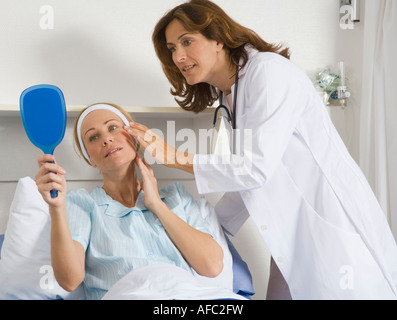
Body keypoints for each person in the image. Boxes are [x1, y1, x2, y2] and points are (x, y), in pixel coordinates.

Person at [126, 0, 397, 299]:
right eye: (172, 48)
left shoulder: (268, 73)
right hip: (291, 241)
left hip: (331, 237)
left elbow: (255, 169)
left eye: (186, 41)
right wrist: (197, 227)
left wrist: (175, 157)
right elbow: (244, 186)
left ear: (217, 38)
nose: (178, 55)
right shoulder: (230, 95)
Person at [34, 103, 224, 300]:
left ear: (135, 137)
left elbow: (212, 266)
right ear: (90, 158)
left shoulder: (176, 196)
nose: (107, 139)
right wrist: (56, 208)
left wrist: (157, 205)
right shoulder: (82, 204)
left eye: (113, 127)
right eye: (94, 137)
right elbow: (69, 279)